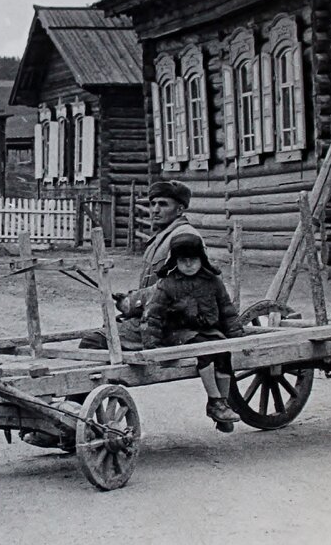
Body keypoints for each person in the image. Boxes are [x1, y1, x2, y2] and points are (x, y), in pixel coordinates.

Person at [78, 180, 200, 351]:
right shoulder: (162, 237)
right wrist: (131, 299)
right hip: (156, 314)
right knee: (106, 329)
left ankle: (118, 377)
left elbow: (179, 287)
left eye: (163, 204)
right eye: (153, 204)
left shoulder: (184, 237)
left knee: (93, 342)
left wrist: (133, 301)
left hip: (173, 322)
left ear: (180, 209)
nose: (155, 209)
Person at [140, 233, 244, 432]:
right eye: (183, 260)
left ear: (201, 259)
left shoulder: (212, 281)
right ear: (175, 261)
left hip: (207, 331)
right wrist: (151, 346)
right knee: (206, 348)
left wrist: (236, 337)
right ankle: (215, 401)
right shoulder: (167, 284)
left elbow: (227, 310)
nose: (188, 265)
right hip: (178, 334)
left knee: (223, 351)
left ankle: (222, 404)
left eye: (193, 260)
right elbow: (152, 316)